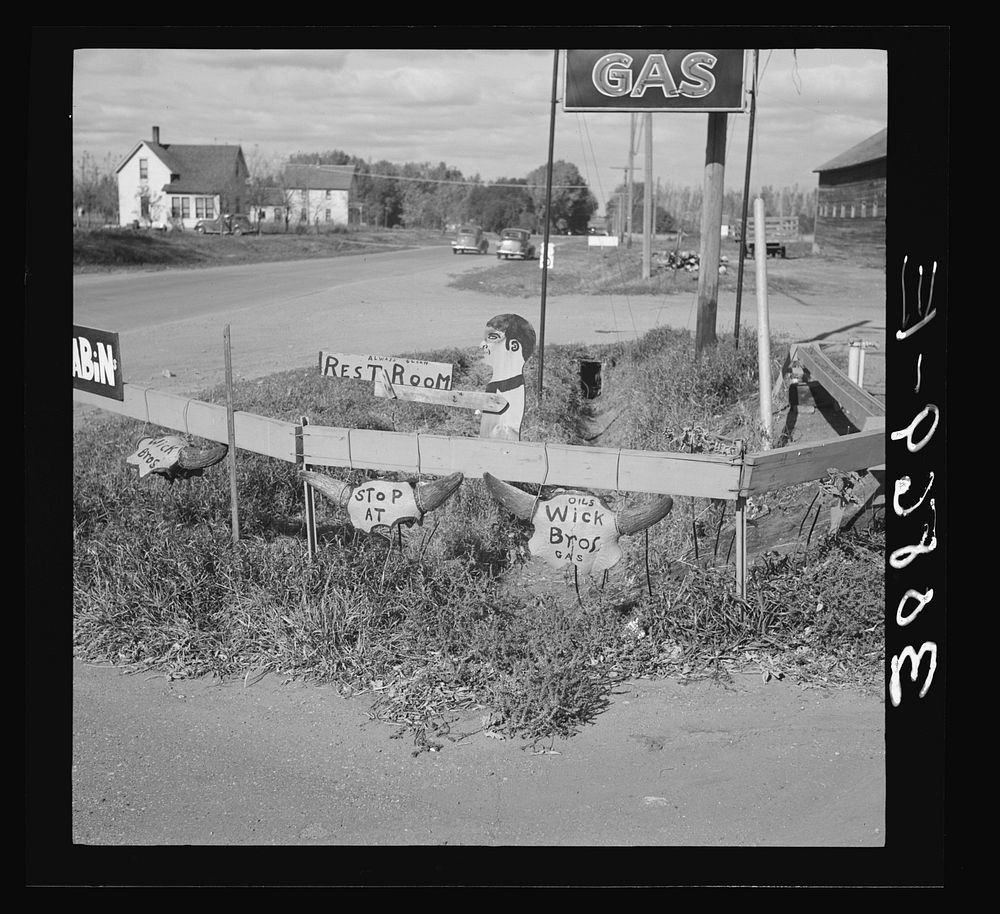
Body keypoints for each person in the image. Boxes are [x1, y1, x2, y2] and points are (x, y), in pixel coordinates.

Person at [478, 313, 536, 441]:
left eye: (492, 338)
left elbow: (508, 434)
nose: (482, 345)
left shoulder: (511, 390)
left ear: (514, 346)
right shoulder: (495, 385)